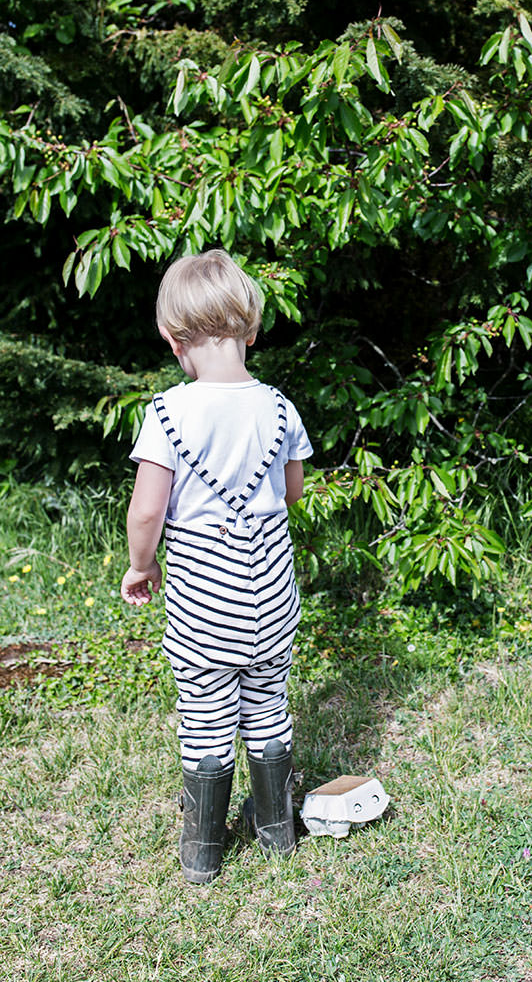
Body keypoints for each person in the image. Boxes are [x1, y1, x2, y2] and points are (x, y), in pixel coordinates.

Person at [120, 249, 313, 884]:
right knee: (267, 703)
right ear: (251, 331)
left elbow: (148, 511)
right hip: (273, 598)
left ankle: (204, 846)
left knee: (205, 712)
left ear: (172, 339)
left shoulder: (169, 413)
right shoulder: (280, 408)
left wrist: (140, 565)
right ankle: (276, 829)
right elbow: (292, 493)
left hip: (205, 603)